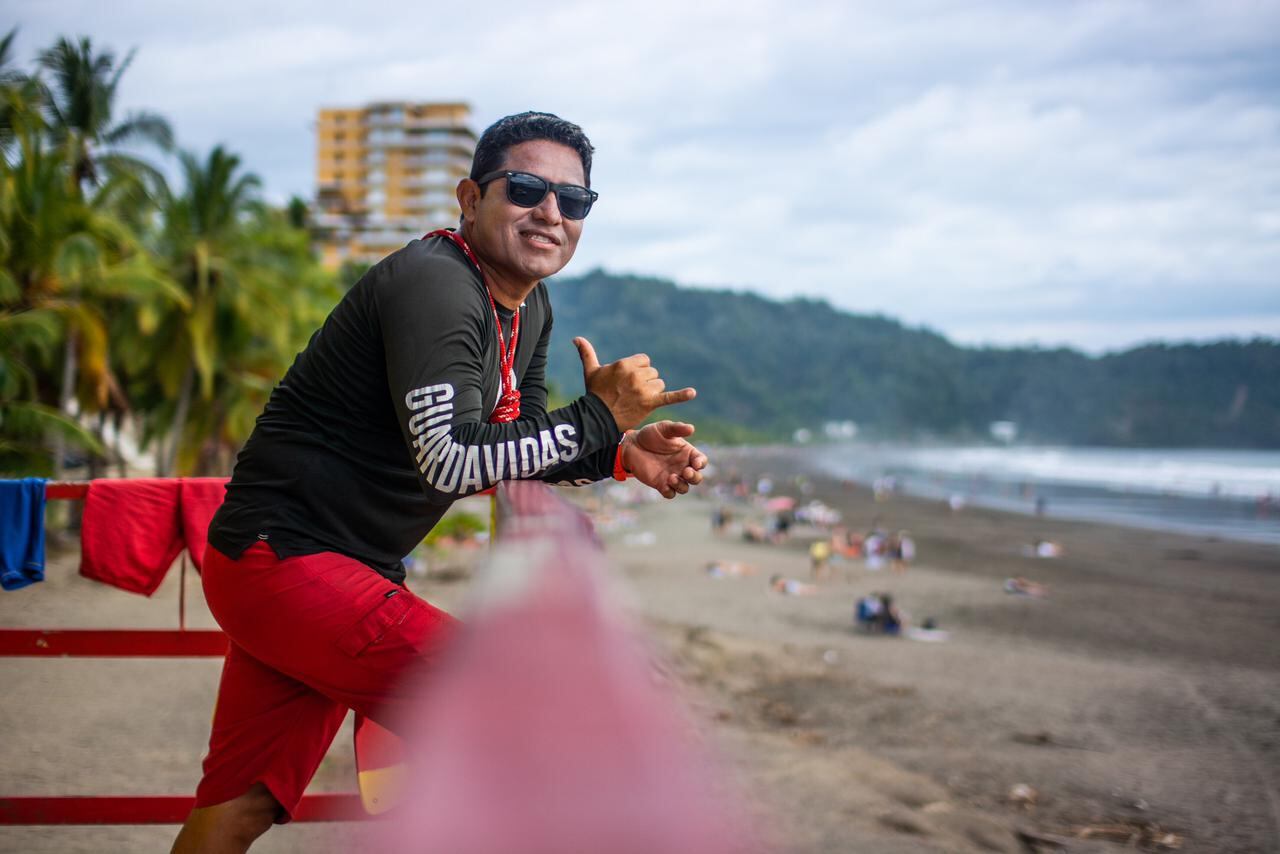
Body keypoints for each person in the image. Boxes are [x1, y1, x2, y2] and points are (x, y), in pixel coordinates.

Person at [171, 112, 708, 853]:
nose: (551, 212)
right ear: (470, 197)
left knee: (241, 807)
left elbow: (510, 446)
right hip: (291, 561)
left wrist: (616, 450)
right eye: (526, 189)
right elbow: (452, 459)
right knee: (534, 722)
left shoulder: (526, 305)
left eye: (573, 201)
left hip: (307, 566)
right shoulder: (435, 284)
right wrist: (596, 417)